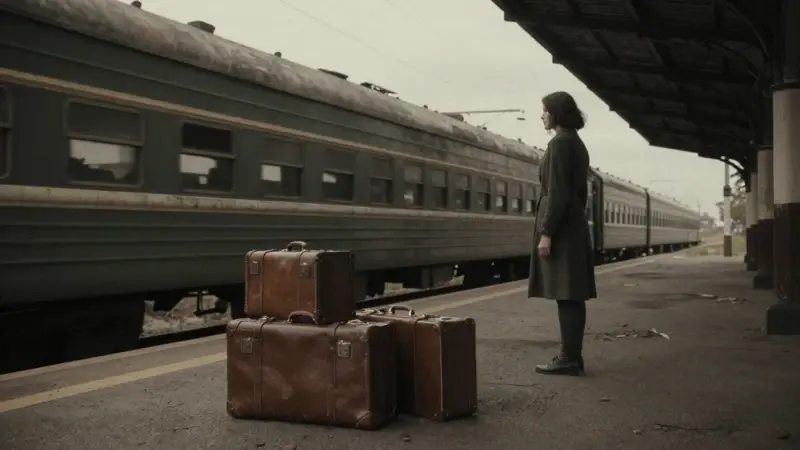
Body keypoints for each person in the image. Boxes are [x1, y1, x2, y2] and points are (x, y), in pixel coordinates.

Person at [528, 91, 597, 376]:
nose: (542, 116)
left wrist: (547, 232)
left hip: (563, 228)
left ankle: (569, 358)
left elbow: (557, 193)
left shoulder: (559, 144)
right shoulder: (576, 143)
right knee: (571, 293)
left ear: (556, 113)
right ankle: (572, 357)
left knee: (566, 293)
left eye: (545, 110)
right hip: (572, 223)